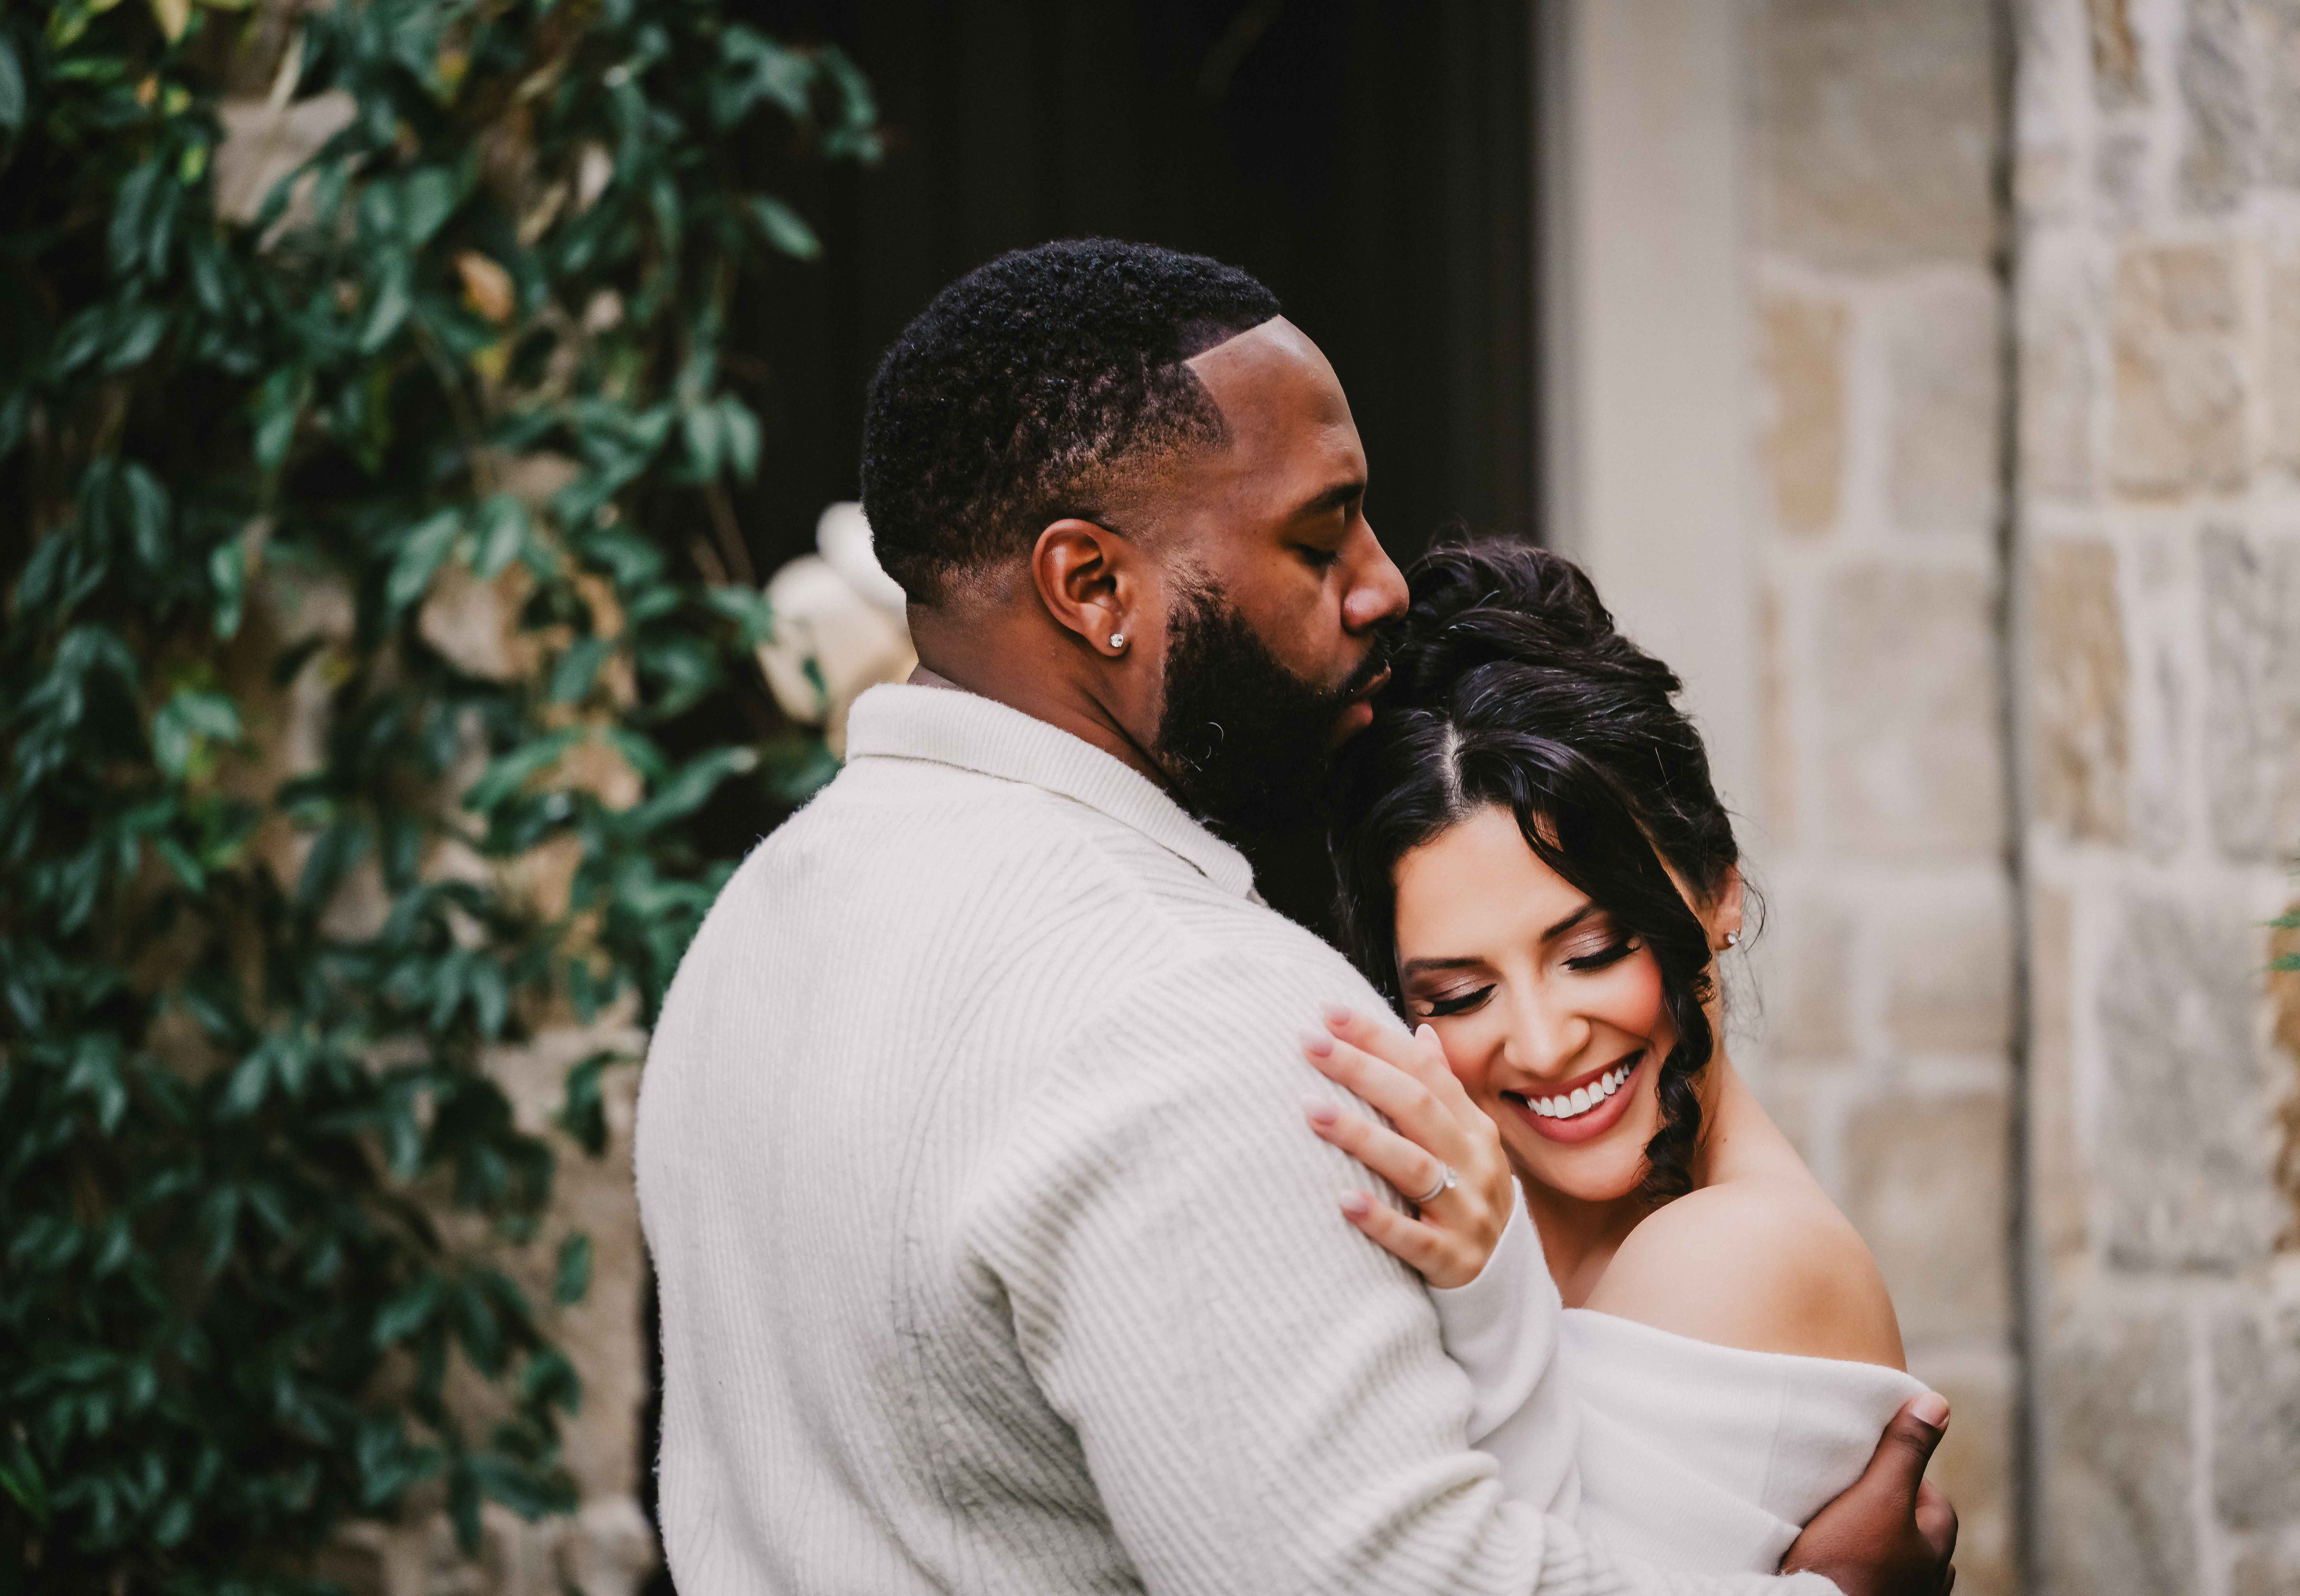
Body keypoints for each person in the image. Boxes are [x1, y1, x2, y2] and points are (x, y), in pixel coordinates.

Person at [633, 239, 1957, 1595]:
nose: (1383, 585)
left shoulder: (751, 930)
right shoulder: (1193, 1007)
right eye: (1318, 537)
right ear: (1092, 587)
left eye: (1590, 943)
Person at [1298, 540, 1931, 1573]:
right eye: (1460, 995)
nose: (1544, 1044)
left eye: (1592, 953)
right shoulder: (1470, 1209)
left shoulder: (1740, 1259)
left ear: (1719, 889)